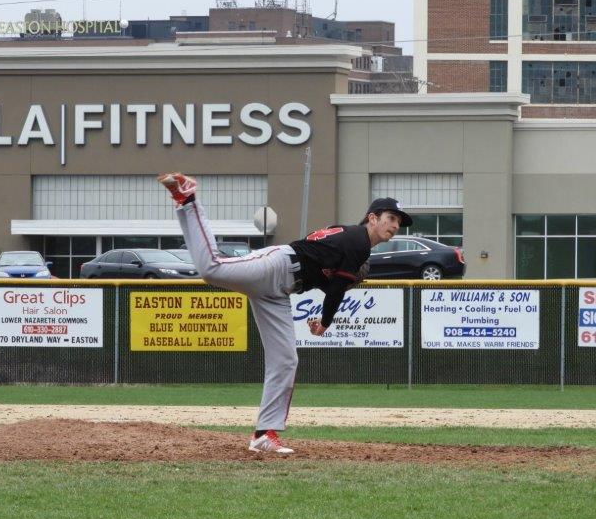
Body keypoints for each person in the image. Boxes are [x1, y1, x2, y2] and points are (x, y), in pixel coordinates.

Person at [158, 172, 411, 454]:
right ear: (373, 218)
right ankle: (188, 199)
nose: (396, 225)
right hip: (277, 265)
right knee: (211, 268)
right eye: (391, 218)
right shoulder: (359, 241)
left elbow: (326, 275)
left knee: (286, 360)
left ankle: (264, 434)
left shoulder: (351, 240)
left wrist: (337, 280)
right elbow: (337, 288)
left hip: (281, 290)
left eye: (399, 222)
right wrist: (326, 322)